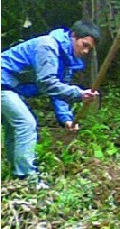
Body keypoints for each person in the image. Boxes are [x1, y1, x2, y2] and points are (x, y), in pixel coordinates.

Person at [1, 20, 101, 185]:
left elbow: (58, 91)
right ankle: (28, 179)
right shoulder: (48, 46)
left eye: (89, 49)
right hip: (3, 83)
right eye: (84, 45)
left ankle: (17, 176)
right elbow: (47, 83)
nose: (85, 51)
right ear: (73, 36)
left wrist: (66, 119)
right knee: (26, 124)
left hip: (10, 87)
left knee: (14, 128)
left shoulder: (66, 60)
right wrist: (78, 94)